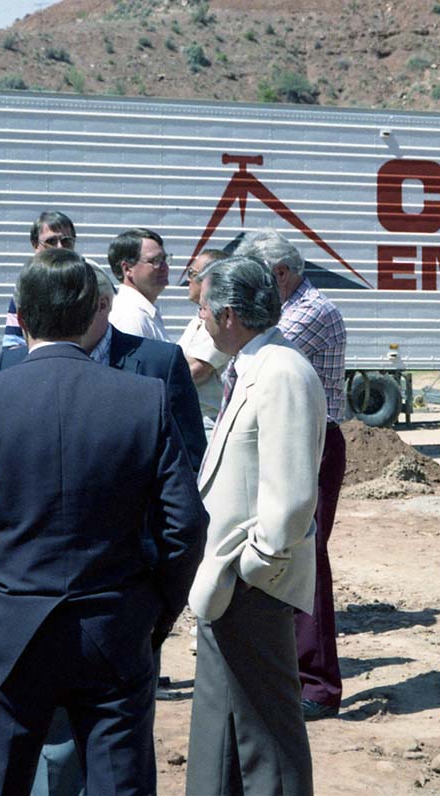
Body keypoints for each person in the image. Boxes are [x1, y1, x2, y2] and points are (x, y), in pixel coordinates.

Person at [0, 248, 207, 796]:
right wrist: (154, 612)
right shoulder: (142, 400)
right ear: (95, 313)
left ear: (22, 318)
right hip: (114, 627)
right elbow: (186, 525)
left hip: (8, 628)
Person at [186, 255, 326, 796]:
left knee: (267, 732)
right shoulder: (253, 363)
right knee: (223, 721)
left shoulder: (282, 371)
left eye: (201, 311)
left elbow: (292, 497)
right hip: (230, 581)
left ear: (227, 315)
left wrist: (254, 565)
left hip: (252, 581)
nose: (197, 323)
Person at [235, 229, 348, 721]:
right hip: (296, 441)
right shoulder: (294, 307)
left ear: (279, 274)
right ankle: (298, 670)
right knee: (288, 551)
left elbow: (248, 358)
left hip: (312, 443)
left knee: (305, 556)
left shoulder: (311, 311)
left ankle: (319, 684)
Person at [0, 266, 206, 472]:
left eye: (72, 306)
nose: (59, 315)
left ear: (102, 305)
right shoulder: (13, 361)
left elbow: (188, 458)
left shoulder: (160, 363)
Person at [2, 211, 80, 350]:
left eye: (66, 241)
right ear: (35, 244)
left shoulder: (89, 280)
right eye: (51, 241)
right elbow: (12, 343)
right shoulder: (26, 285)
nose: (60, 247)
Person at [176, 249, 231, 433]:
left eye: (193, 273)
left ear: (210, 280)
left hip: (207, 423)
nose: (188, 279)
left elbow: (195, 370)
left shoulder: (220, 321)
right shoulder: (198, 319)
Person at [107, 228, 171, 342]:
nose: (165, 267)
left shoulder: (144, 312)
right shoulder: (131, 318)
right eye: (155, 260)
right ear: (127, 269)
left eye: (165, 259)